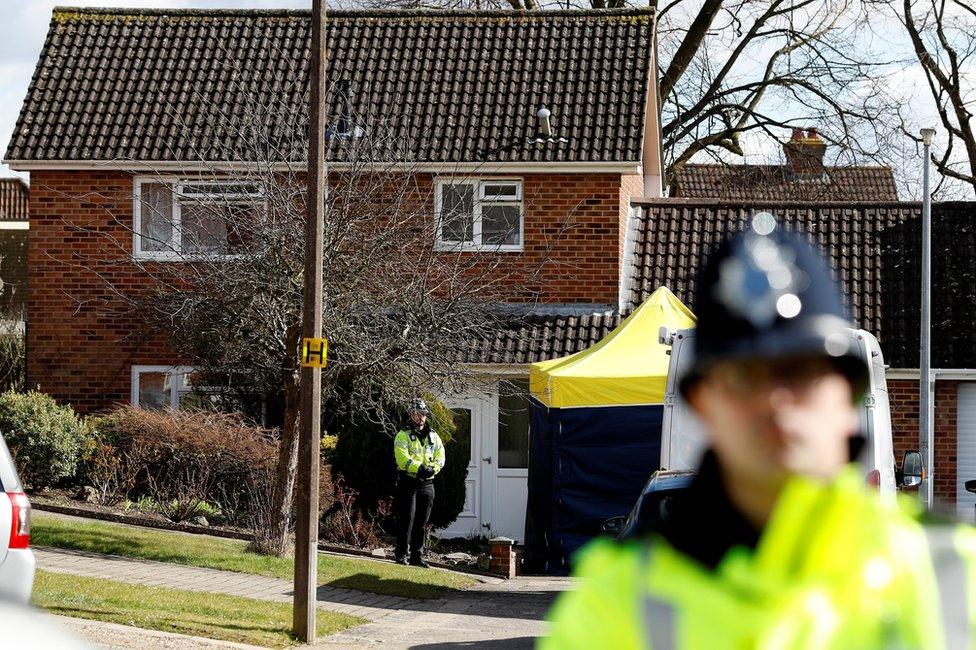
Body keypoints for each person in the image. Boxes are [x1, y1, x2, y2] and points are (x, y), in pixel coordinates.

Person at [543, 217, 976, 648]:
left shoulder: (952, 573)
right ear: (701, 405)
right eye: (745, 377)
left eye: (802, 371)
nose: (777, 402)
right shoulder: (616, 605)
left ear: (851, 393)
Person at [393, 397, 446, 567]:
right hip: (408, 481)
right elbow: (402, 459)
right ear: (411, 414)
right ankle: (401, 554)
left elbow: (441, 456)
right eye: (417, 413)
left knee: (422, 521)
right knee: (407, 519)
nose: (421, 417)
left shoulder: (433, 436)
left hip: (427, 484)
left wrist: (433, 469)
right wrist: (420, 468)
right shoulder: (402, 435)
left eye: (423, 414)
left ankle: (417, 556)